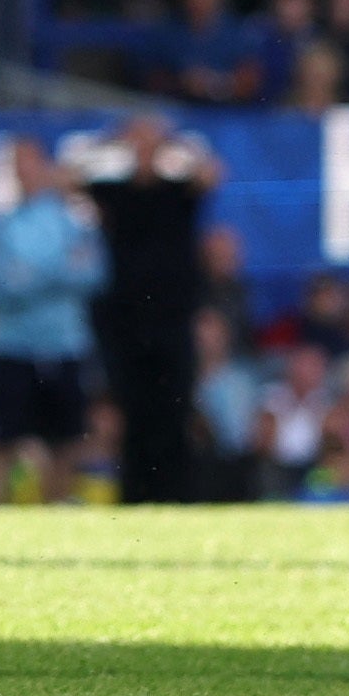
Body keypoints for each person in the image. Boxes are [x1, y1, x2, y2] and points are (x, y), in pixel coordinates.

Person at [84, 113, 221, 504]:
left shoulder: (179, 191)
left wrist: (172, 139)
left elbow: (212, 172)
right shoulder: (112, 192)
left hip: (173, 321)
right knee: (133, 412)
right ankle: (136, 496)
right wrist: (112, 139)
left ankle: (177, 495)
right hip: (125, 323)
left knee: (175, 410)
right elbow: (66, 176)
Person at [0, 138, 106, 503]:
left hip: (65, 344)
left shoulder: (72, 219)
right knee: (1, 443)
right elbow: (3, 285)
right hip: (14, 345)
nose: (24, 172)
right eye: (17, 165)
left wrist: (33, 273)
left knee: (66, 443)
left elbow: (94, 274)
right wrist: (61, 269)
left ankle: (56, 514)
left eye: (30, 162)